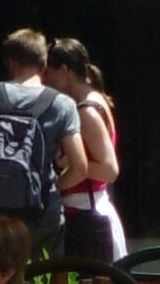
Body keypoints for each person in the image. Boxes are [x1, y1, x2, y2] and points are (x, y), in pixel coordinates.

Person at [0, 28, 86, 257]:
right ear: (43, 66)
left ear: (10, 63)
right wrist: (53, 185)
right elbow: (80, 167)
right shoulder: (62, 104)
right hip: (42, 217)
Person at [45, 40, 126, 263]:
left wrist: (67, 169)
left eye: (50, 74)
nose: (48, 81)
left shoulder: (86, 111)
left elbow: (109, 170)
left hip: (88, 218)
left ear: (65, 71)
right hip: (88, 214)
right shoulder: (93, 100)